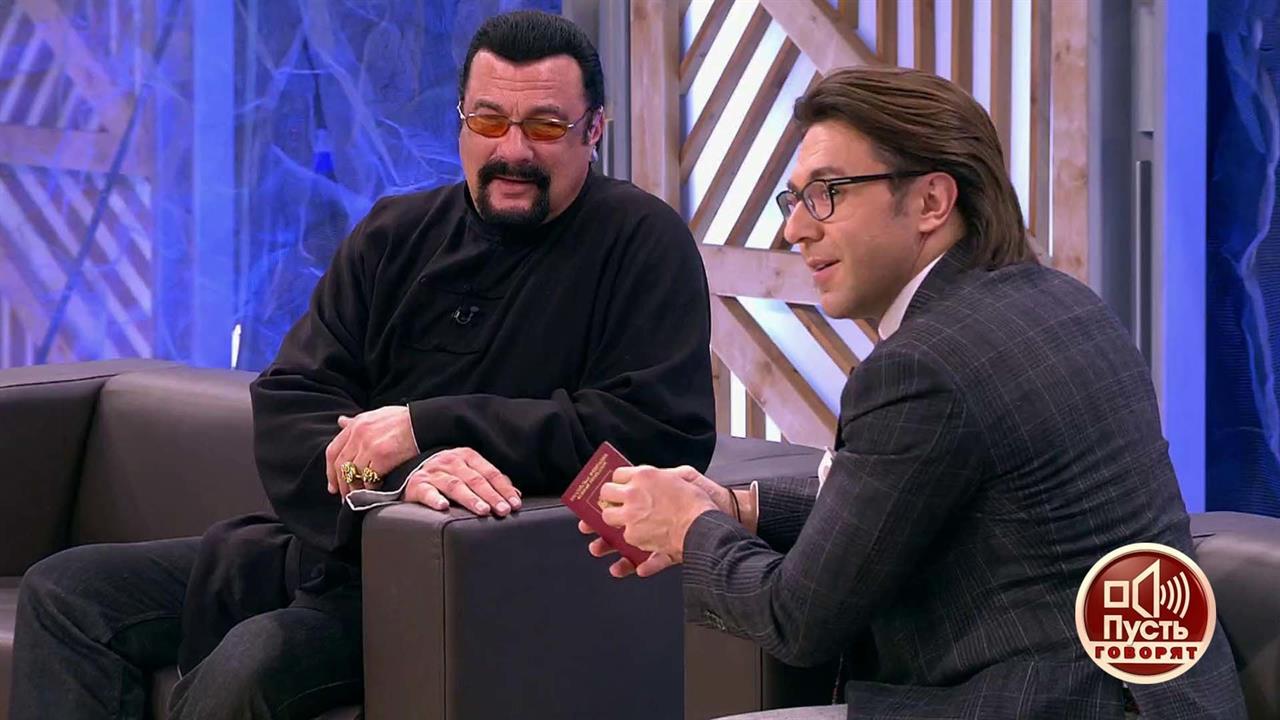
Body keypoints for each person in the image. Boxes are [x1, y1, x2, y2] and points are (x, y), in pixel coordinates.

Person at [10, 11, 715, 719]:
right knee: (69, 592)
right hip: (331, 547)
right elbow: (292, 397)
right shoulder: (396, 233)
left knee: (254, 660)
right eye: (489, 120)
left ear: (595, 129)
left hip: (469, 580)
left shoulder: (641, 242)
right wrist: (395, 477)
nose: (513, 150)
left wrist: (426, 427)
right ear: (461, 123)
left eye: (546, 126)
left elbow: (653, 432)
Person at [584, 67, 1246, 719]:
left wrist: (689, 528)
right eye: (795, 200)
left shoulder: (923, 368)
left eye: (828, 193)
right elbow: (903, 501)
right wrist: (740, 507)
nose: (796, 229)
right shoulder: (1064, 301)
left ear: (931, 202)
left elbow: (795, 620)